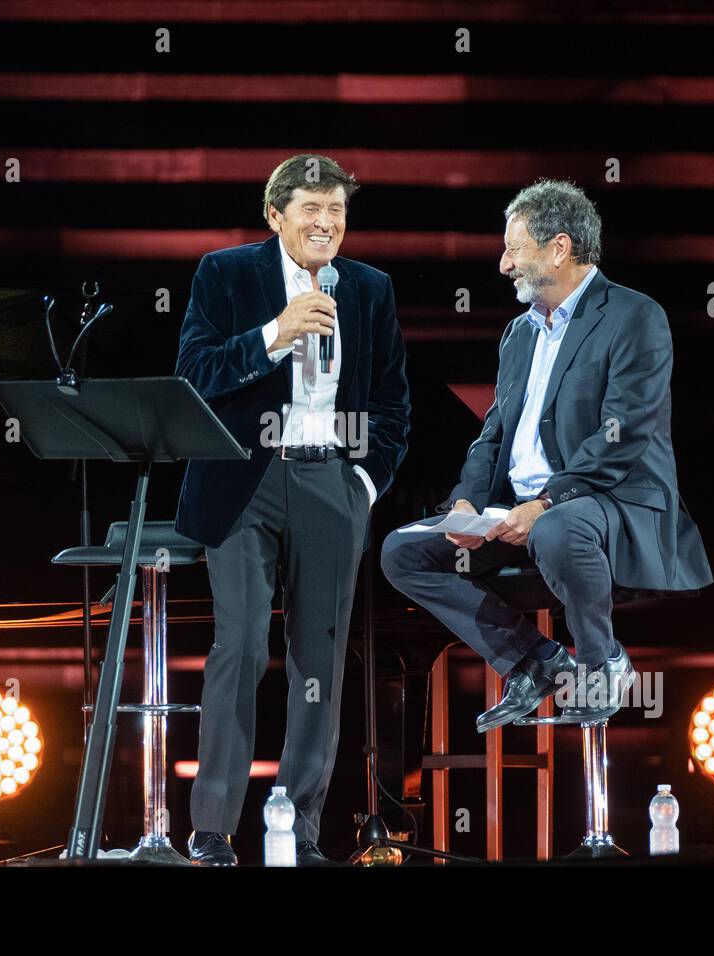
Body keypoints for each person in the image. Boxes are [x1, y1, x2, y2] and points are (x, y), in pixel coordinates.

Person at [381, 179, 711, 731]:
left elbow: (623, 432)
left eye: (514, 248)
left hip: (611, 499)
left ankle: (602, 663)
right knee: (403, 552)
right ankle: (535, 661)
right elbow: (493, 435)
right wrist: (465, 502)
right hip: (526, 509)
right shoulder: (519, 334)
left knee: (557, 529)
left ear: (560, 248)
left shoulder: (634, 315)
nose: (504, 264)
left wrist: (547, 501)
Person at [175, 154, 410, 864]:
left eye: (336, 212)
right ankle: (213, 829)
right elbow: (193, 374)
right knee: (241, 646)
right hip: (244, 481)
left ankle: (299, 834)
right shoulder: (226, 273)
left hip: (330, 483)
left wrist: (362, 487)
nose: (326, 224)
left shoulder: (370, 288)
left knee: (320, 661)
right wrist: (274, 335)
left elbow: (394, 404)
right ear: (275, 216)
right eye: (311, 209)